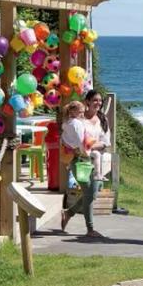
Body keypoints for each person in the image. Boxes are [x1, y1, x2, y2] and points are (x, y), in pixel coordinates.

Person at [59, 100, 103, 238]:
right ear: (72, 112)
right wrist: (89, 152)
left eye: (83, 112)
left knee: (94, 190)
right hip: (81, 160)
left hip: (77, 160)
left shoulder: (66, 124)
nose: (83, 115)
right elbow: (80, 143)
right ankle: (90, 229)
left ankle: (69, 213)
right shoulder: (76, 123)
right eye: (80, 112)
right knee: (89, 193)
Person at [82, 90, 112, 183]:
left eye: (100, 100)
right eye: (95, 100)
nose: (98, 103)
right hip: (82, 153)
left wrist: (91, 146)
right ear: (87, 102)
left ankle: (98, 178)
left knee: (101, 157)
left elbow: (106, 142)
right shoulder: (81, 118)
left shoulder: (103, 119)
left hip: (98, 153)